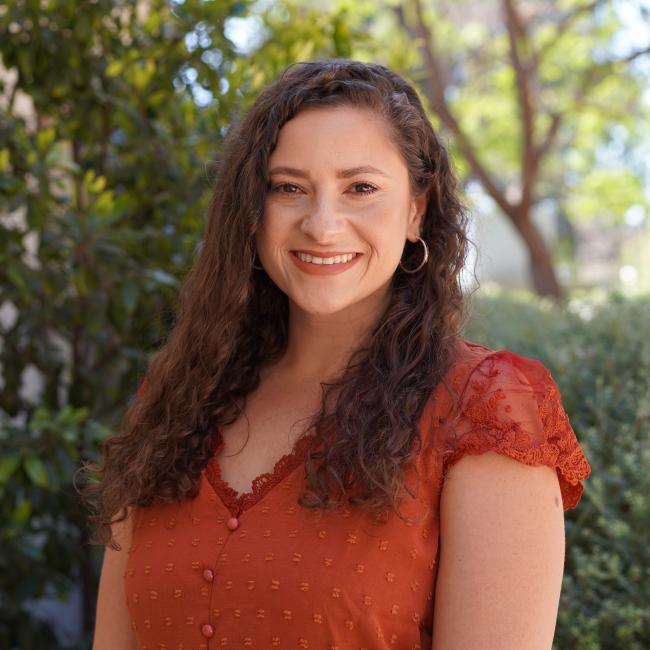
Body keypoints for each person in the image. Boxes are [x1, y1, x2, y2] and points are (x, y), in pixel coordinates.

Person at [87, 59, 591, 649]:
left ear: (416, 210)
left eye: (361, 188)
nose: (322, 225)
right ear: (252, 210)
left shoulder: (484, 410)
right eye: (289, 187)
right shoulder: (178, 396)